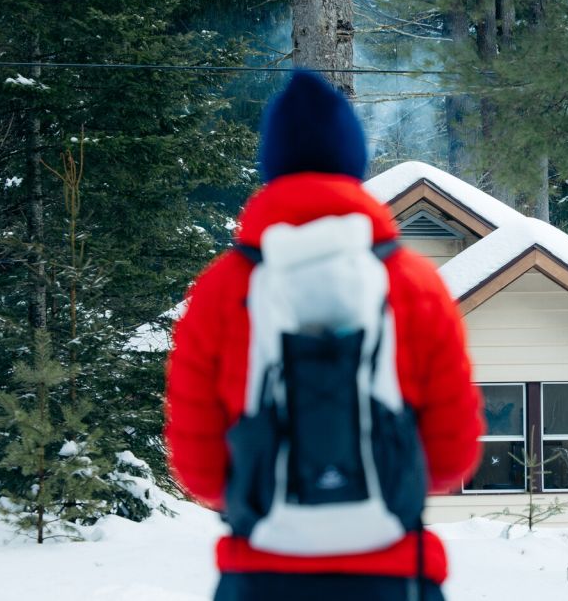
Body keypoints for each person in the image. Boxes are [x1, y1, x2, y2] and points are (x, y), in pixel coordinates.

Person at [165, 70, 482, 601]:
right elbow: (452, 456)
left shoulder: (222, 288)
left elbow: (198, 467)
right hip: (394, 576)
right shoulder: (415, 284)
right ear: (353, 161)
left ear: (271, 164)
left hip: (260, 575)